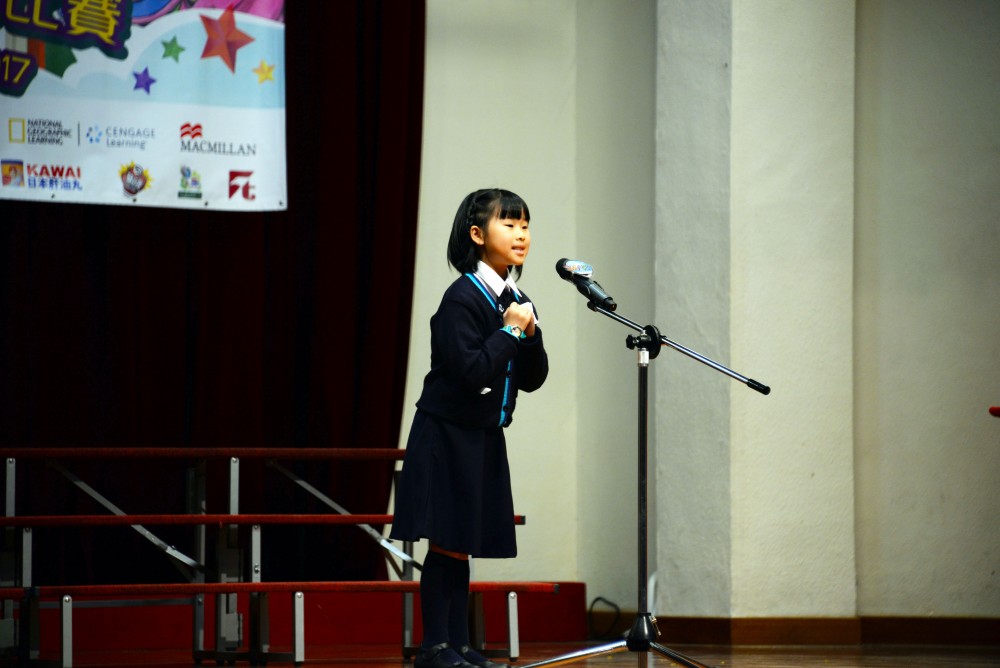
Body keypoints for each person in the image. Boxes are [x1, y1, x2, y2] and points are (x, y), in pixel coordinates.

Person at [390, 188, 549, 668]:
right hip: (446, 435)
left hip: (482, 436)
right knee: (447, 541)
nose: (521, 235)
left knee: (462, 545)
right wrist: (509, 331)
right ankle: (434, 647)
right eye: (509, 225)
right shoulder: (461, 297)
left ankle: (459, 646)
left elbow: (533, 378)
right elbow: (472, 371)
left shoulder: (518, 299)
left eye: (525, 226)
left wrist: (528, 336)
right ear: (477, 235)